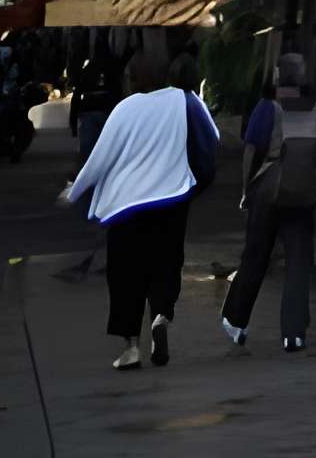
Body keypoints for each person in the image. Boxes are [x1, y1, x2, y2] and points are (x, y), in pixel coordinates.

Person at [60, 47, 214, 371]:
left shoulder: (124, 109)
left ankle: (130, 348)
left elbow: (100, 158)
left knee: (125, 274)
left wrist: (75, 191)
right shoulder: (183, 100)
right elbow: (210, 140)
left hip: (126, 205)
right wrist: (194, 183)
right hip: (171, 199)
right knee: (166, 262)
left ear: (132, 78)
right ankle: (160, 315)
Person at [220, 53, 316, 353]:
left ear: (278, 76)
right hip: (301, 194)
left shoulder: (267, 108)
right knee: (298, 263)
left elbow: (251, 152)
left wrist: (245, 190)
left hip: (267, 191)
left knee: (255, 256)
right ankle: (294, 334)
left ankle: (236, 322)